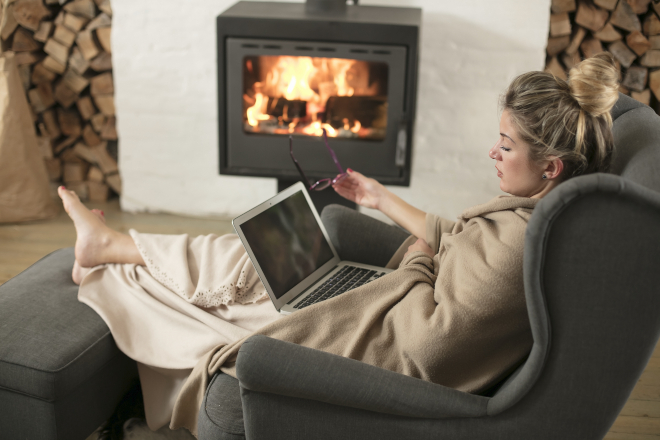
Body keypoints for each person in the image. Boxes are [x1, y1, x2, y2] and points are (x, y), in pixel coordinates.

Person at [57, 52, 620, 434]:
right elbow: (456, 238)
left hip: (379, 341)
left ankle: (109, 257)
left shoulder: (519, 245)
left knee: (245, 275)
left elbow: (427, 346)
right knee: (255, 262)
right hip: (389, 303)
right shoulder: (535, 217)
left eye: (505, 145)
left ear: (549, 166)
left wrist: (416, 263)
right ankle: (111, 255)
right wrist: (379, 199)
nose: (492, 154)